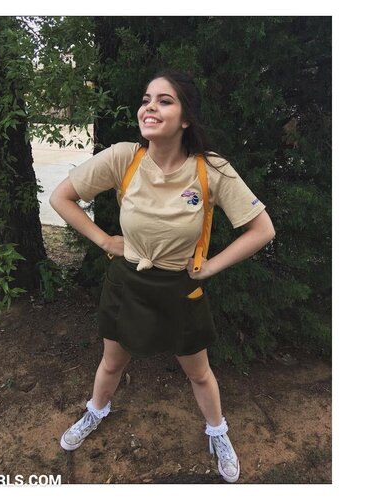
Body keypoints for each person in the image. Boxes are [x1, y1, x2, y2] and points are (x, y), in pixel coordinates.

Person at [49, 69, 275, 483]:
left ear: (185, 118)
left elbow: (262, 230)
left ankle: (217, 431)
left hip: (179, 289)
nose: (149, 107)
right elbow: (61, 197)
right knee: (111, 363)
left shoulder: (211, 169)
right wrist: (105, 240)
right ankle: (95, 412)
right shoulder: (124, 157)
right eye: (146, 99)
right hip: (127, 283)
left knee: (199, 372)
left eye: (164, 100)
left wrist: (210, 267)